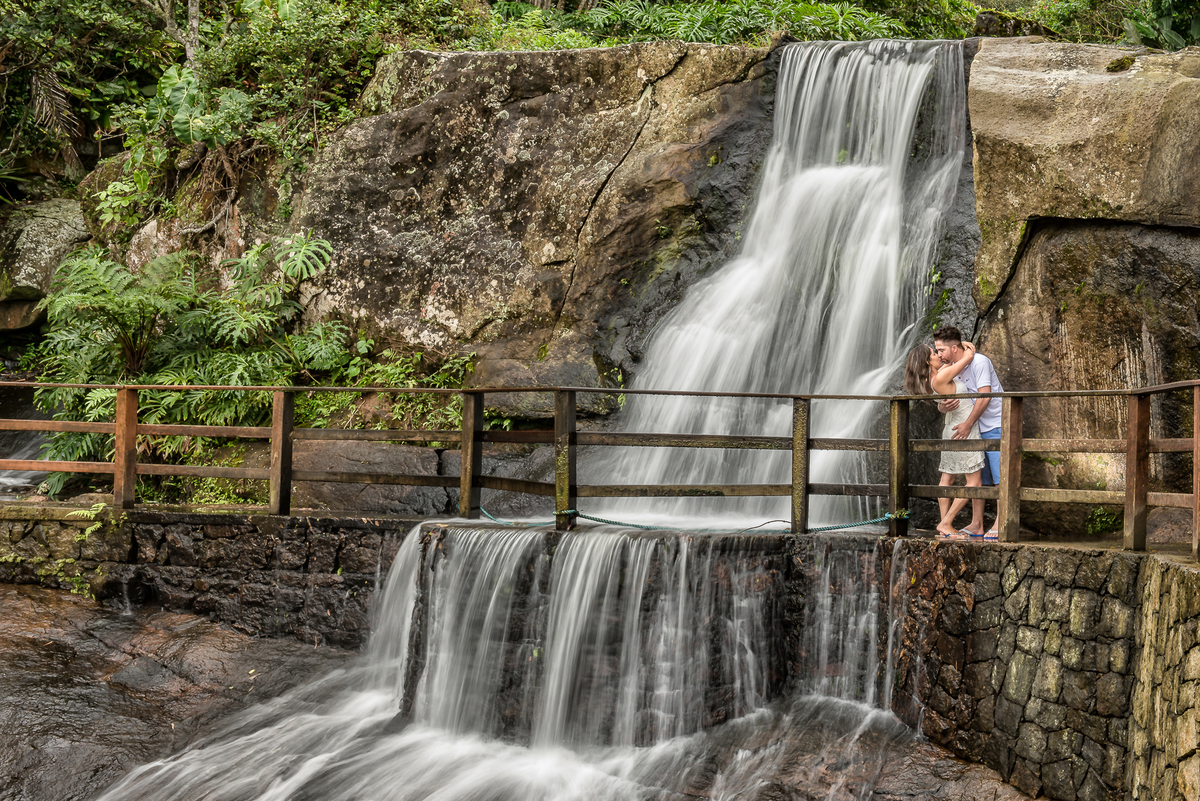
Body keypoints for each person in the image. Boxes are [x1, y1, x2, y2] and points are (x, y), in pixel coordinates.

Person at [904, 341, 984, 538]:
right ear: (926, 360)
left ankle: (943, 523)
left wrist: (941, 407)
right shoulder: (940, 378)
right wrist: (963, 347)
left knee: (947, 478)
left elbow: (947, 374)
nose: (938, 355)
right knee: (974, 482)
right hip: (963, 429)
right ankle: (946, 523)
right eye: (934, 352)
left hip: (950, 428)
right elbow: (967, 358)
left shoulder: (930, 381)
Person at [932, 326, 1004, 538]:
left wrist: (967, 423)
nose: (938, 355)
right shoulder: (954, 366)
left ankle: (1001, 523)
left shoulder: (979, 362)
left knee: (1000, 477)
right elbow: (941, 398)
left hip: (994, 423)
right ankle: (976, 524)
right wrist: (942, 407)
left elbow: (985, 396)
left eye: (941, 350)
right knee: (978, 477)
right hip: (975, 428)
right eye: (936, 351)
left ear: (954, 348)